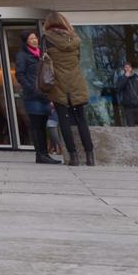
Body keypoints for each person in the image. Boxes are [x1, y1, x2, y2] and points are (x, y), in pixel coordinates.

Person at [42, 12, 95, 167]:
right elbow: (78, 59)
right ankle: (90, 156)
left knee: (63, 120)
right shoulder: (75, 39)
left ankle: (74, 157)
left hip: (59, 83)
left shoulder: (47, 38)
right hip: (76, 81)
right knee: (81, 119)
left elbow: (44, 60)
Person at [14, 32, 58, 164]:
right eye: (31, 38)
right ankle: (40, 154)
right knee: (36, 125)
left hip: (45, 95)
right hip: (33, 96)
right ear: (26, 41)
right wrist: (32, 88)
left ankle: (45, 154)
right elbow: (20, 75)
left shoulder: (42, 54)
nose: (34, 40)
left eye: (35, 38)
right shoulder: (22, 55)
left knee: (43, 125)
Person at [115, 62, 138, 126]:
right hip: (128, 109)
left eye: (129, 67)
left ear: (131, 68)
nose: (128, 69)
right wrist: (125, 77)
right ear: (124, 69)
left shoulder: (137, 78)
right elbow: (118, 89)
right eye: (126, 67)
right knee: (131, 129)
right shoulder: (121, 79)